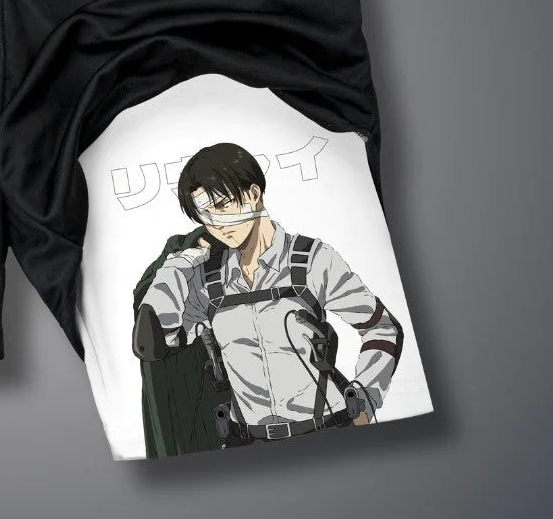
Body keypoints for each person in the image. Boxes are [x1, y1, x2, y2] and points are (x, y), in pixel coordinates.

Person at [135, 142, 403, 445]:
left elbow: (382, 328)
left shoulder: (310, 260)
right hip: (248, 443)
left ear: (253, 194)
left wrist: (365, 400)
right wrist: (175, 270)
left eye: (223, 206)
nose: (217, 223)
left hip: (327, 430)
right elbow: (152, 342)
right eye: (205, 214)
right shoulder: (209, 280)